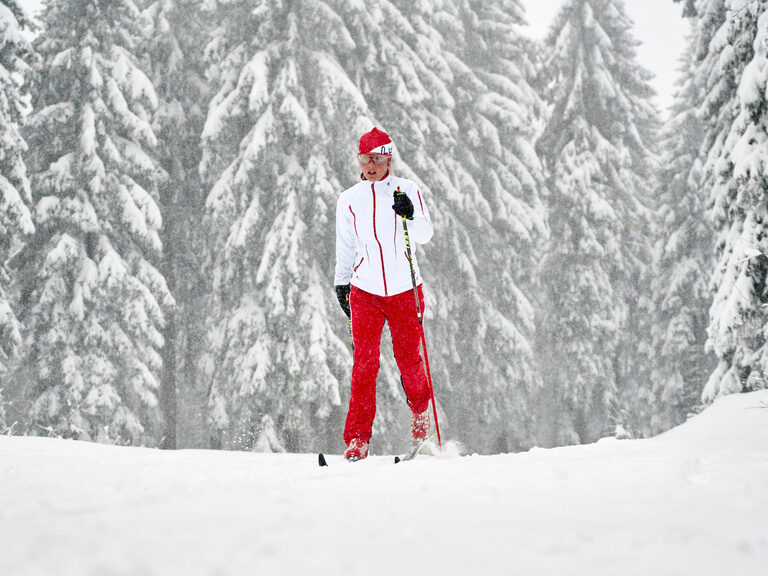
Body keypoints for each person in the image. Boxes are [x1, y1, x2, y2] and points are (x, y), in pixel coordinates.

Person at [334, 127, 434, 461]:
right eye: (365, 158)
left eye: (377, 158)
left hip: (405, 287)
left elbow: (424, 234)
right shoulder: (349, 200)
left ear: (388, 158)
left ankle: (421, 419)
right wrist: (341, 283)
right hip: (366, 292)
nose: (371, 165)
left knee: (409, 361)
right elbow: (346, 246)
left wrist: (409, 212)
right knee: (364, 365)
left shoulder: (407, 189)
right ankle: (357, 439)